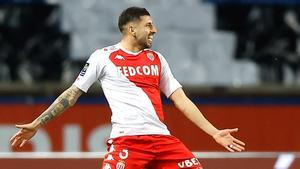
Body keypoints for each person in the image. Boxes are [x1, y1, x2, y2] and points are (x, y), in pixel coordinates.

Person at [10, 7, 245, 169]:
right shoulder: (103, 57)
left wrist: (213, 132)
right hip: (128, 142)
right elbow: (71, 94)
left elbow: (181, 99)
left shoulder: (157, 59)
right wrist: (37, 123)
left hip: (163, 141)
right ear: (132, 29)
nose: (154, 30)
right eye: (149, 25)